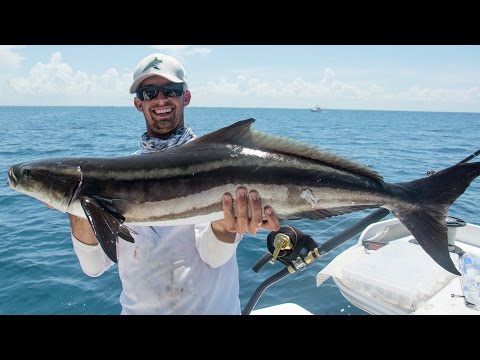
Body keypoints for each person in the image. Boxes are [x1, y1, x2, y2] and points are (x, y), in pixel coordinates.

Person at [68, 53, 281, 315]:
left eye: (170, 90)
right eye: (149, 93)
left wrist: (227, 227)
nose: (160, 99)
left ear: (186, 97)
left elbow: (214, 257)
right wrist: (76, 206)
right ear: (138, 104)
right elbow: (94, 267)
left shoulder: (218, 165)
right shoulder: (112, 177)